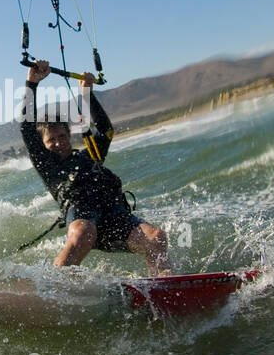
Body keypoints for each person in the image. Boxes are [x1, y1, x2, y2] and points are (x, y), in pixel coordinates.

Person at [19, 59, 170, 276]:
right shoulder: (47, 164)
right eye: (52, 140)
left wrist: (87, 94)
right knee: (84, 232)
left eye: (62, 136)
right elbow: (26, 127)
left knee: (156, 238)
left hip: (114, 216)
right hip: (82, 216)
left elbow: (106, 130)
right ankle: (52, 286)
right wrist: (32, 83)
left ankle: (163, 285)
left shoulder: (90, 154)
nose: (59, 142)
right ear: (43, 145)